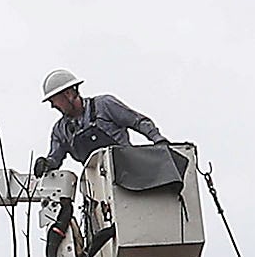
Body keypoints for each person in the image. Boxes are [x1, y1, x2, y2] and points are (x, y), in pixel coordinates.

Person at [32, 67, 166, 177]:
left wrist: (158, 140)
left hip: (130, 173)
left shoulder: (104, 105)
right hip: (97, 187)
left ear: (68, 93)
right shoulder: (60, 131)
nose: (53, 106)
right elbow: (55, 158)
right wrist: (46, 164)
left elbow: (137, 121)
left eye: (53, 100)